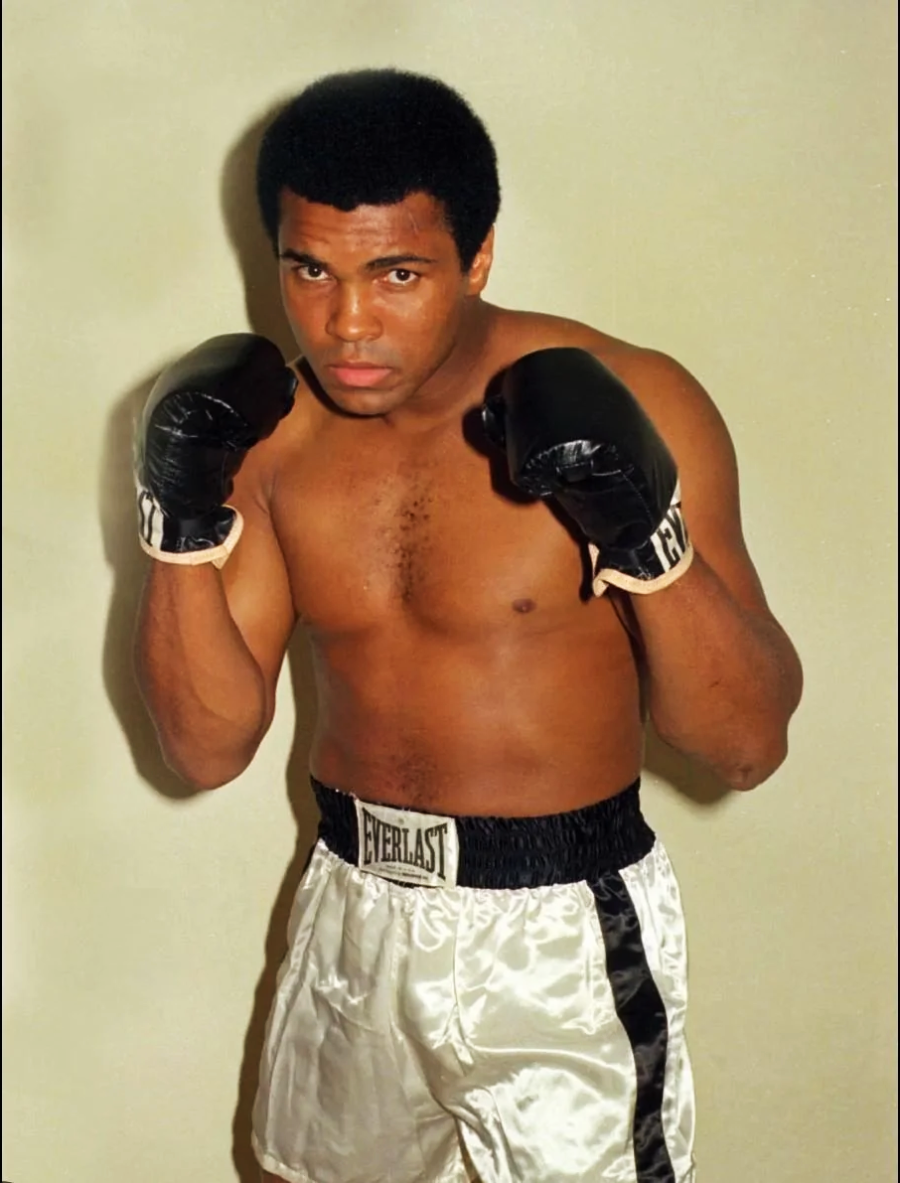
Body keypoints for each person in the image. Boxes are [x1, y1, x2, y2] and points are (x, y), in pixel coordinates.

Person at [133, 69, 802, 1183]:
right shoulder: (269, 439)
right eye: (311, 271)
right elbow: (204, 749)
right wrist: (177, 522)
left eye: (396, 273)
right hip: (352, 904)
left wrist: (645, 544)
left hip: (559, 934)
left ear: (477, 256)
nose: (348, 324)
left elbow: (745, 744)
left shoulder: (639, 395)